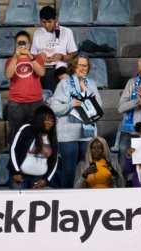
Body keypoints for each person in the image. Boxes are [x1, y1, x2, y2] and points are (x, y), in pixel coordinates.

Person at [48, 54, 100, 188]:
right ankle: (67, 198)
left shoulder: (91, 84)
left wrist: (85, 90)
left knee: (87, 169)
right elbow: (54, 108)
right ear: (73, 66)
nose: (83, 68)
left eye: (86, 65)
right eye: (80, 65)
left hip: (87, 135)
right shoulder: (63, 84)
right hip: (67, 134)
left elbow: (98, 108)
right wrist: (70, 104)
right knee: (69, 170)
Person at [4, 30, 46, 136]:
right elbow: (8, 75)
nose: (22, 45)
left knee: (37, 133)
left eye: (24, 43)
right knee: (15, 134)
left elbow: (41, 72)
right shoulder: (10, 60)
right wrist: (15, 57)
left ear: (29, 44)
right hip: (16, 103)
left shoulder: (37, 58)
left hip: (35, 101)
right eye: (19, 43)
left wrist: (30, 56)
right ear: (15, 44)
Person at [8, 105, 58, 189]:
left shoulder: (52, 136)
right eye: (46, 120)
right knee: (19, 202)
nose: (49, 123)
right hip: (20, 178)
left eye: (52, 121)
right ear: (39, 119)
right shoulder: (27, 129)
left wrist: (46, 180)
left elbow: (54, 160)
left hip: (38, 180)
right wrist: (16, 171)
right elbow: (14, 149)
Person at [32, 5, 77, 93]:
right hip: (43, 69)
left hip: (60, 70)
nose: (47, 25)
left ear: (55, 18)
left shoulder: (66, 32)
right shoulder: (37, 33)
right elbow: (32, 55)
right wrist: (39, 57)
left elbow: (73, 53)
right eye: (43, 22)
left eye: (50, 22)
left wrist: (61, 57)